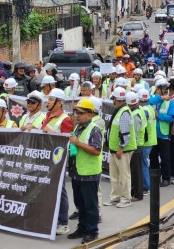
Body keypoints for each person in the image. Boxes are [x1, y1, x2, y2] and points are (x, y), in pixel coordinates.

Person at [67, 98, 102, 244]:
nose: (77, 115)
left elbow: (96, 150)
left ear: (90, 114)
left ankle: (92, 231)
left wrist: (78, 143)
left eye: (81, 113)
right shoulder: (78, 128)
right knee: (80, 204)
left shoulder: (94, 129)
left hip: (89, 173)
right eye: (76, 112)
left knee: (90, 205)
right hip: (77, 172)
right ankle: (82, 228)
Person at [41, 88, 74, 235]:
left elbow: (67, 141)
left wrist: (50, 131)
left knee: (60, 191)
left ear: (59, 103)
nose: (47, 102)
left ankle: (64, 222)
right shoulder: (47, 116)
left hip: (57, 161)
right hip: (45, 159)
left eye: (51, 99)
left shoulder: (65, 120)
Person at [104, 87, 136, 208]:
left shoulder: (124, 112)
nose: (112, 100)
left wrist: (120, 148)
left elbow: (125, 133)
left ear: (116, 99)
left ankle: (126, 198)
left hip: (121, 150)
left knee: (124, 174)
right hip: (115, 149)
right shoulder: (120, 110)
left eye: (113, 97)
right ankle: (115, 197)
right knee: (114, 174)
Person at [149, 79, 174, 187]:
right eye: (164, 89)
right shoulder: (152, 99)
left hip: (163, 134)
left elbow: (170, 118)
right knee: (153, 157)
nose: (166, 91)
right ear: (158, 89)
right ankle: (155, 177)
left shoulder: (170, 102)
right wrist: (160, 98)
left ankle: (166, 178)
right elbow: (147, 101)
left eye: (167, 89)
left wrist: (158, 116)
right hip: (151, 133)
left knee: (165, 158)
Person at [126, 92, 146, 202]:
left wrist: (133, 147)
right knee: (134, 170)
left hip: (136, 146)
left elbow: (136, 132)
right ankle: (135, 192)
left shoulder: (136, 115)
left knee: (136, 172)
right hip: (136, 145)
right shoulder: (137, 111)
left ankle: (138, 194)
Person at [137, 89, 157, 196]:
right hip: (151, 140)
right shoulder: (150, 108)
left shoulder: (143, 110)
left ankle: (146, 186)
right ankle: (146, 185)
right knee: (144, 163)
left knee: (143, 163)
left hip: (145, 141)